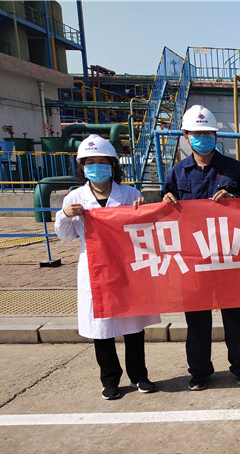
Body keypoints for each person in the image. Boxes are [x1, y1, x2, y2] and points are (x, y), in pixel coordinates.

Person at [55, 134, 159, 400]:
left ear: (113, 164)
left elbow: (146, 231)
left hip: (126, 268)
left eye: (102, 162)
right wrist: (64, 216)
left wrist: (141, 211)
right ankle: (110, 380)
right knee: (101, 328)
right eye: (90, 162)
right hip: (95, 269)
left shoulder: (130, 194)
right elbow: (65, 237)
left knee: (133, 325)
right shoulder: (75, 198)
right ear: (82, 167)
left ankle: (139, 376)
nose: (96, 167)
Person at [161, 105, 240, 390]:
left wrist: (235, 198)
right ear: (186, 136)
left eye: (208, 133)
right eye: (197, 134)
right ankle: (200, 371)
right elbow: (165, 209)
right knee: (197, 320)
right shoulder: (177, 172)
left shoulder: (234, 169)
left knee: (235, 318)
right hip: (194, 259)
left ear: (215, 136)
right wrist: (165, 202)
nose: (203, 138)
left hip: (229, 256)